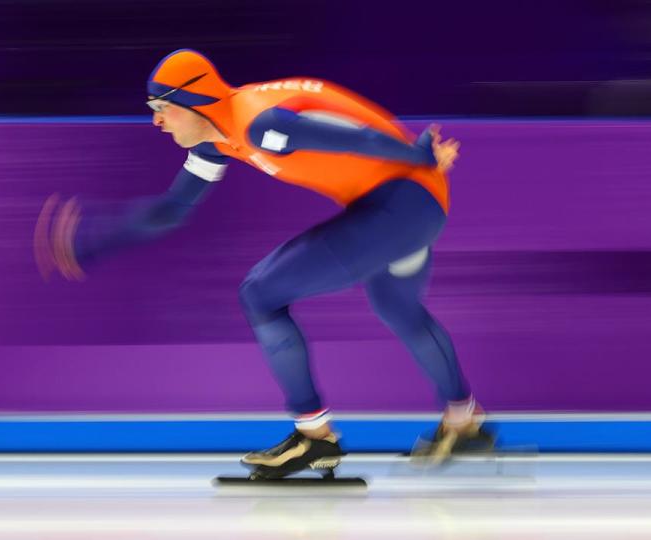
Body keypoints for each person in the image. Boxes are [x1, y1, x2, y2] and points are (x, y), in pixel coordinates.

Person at [35, 49, 487, 479]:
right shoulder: (218, 140)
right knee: (399, 308)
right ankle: (463, 421)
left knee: (261, 293)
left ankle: (314, 436)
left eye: (162, 106)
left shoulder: (258, 124)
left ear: (194, 101)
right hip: (414, 207)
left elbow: (356, 137)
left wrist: (420, 154)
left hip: (402, 202)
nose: (155, 119)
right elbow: (173, 208)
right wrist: (93, 242)